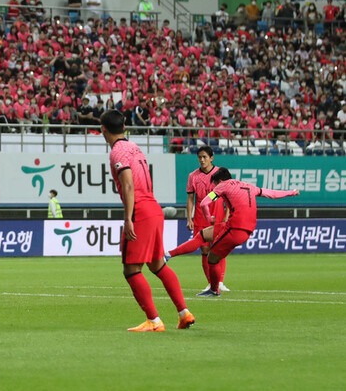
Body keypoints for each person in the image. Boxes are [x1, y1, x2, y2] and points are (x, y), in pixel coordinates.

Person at [100, 110, 193, 332]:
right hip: (154, 207)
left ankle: (154, 320)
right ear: (124, 128)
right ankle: (184, 313)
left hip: (140, 211)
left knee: (131, 270)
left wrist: (129, 218)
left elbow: (128, 184)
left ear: (103, 130)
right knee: (157, 264)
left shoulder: (117, 152)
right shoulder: (133, 147)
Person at [167, 169, 299, 297]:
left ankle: (214, 290)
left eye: (214, 185)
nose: (214, 188)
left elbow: (204, 203)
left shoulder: (222, 186)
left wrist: (208, 218)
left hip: (235, 229)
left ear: (218, 180)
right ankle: (168, 255)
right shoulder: (248, 186)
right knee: (203, 235)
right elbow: (271, 193)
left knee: (212, 259)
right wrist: (291, 193)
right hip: (245, 228)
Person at [185, 146, 229, 294]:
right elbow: (191, 198)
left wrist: (227, 215)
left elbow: (228, 196)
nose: (202, 160)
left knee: (218, 247)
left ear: (211, 158)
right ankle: (211, 283)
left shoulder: (220, 174)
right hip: (200, 217)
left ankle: (220, 281)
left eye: (205, 157)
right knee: (204, 249)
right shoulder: (193, 176)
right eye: (200, 157)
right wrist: (189, 217)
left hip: (218, 215)